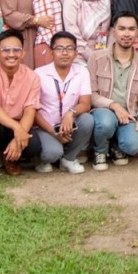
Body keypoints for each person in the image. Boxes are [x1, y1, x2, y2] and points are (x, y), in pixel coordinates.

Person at [0, 29, 56, 178]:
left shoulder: (32, 77)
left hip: (17, 123)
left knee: (34, 145)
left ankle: (12, 160)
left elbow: (29, 110)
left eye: (16, 50)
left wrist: (19, 133)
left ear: (23, 53)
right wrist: (17, 128)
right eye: (6, 50)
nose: (11, 54)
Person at [86, 13, 138, 169]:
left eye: (131, 29)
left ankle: (116, 147)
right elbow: (92, 95)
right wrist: (115, 106)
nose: (126, 34)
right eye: (122, 28)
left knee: (134, 146)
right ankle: (100, 151)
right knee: (106, 122)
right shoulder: (96, 58)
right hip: (104, 112)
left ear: (137, 32)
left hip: (129, 115)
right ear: (113, 31)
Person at [37, 31, 93, 173]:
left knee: (87, 119)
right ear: (51, 52)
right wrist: (52, 132)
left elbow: (86, 103)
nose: (64, 53)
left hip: (69, 125)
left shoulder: (82, 72)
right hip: (46, 126)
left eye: (69, 49)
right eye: (59, 49)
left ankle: (68, 158)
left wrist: (70, 113)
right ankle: (45, 158)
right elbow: (33, 110)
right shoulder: (39, 73)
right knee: (52, 153)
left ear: (75, 53)